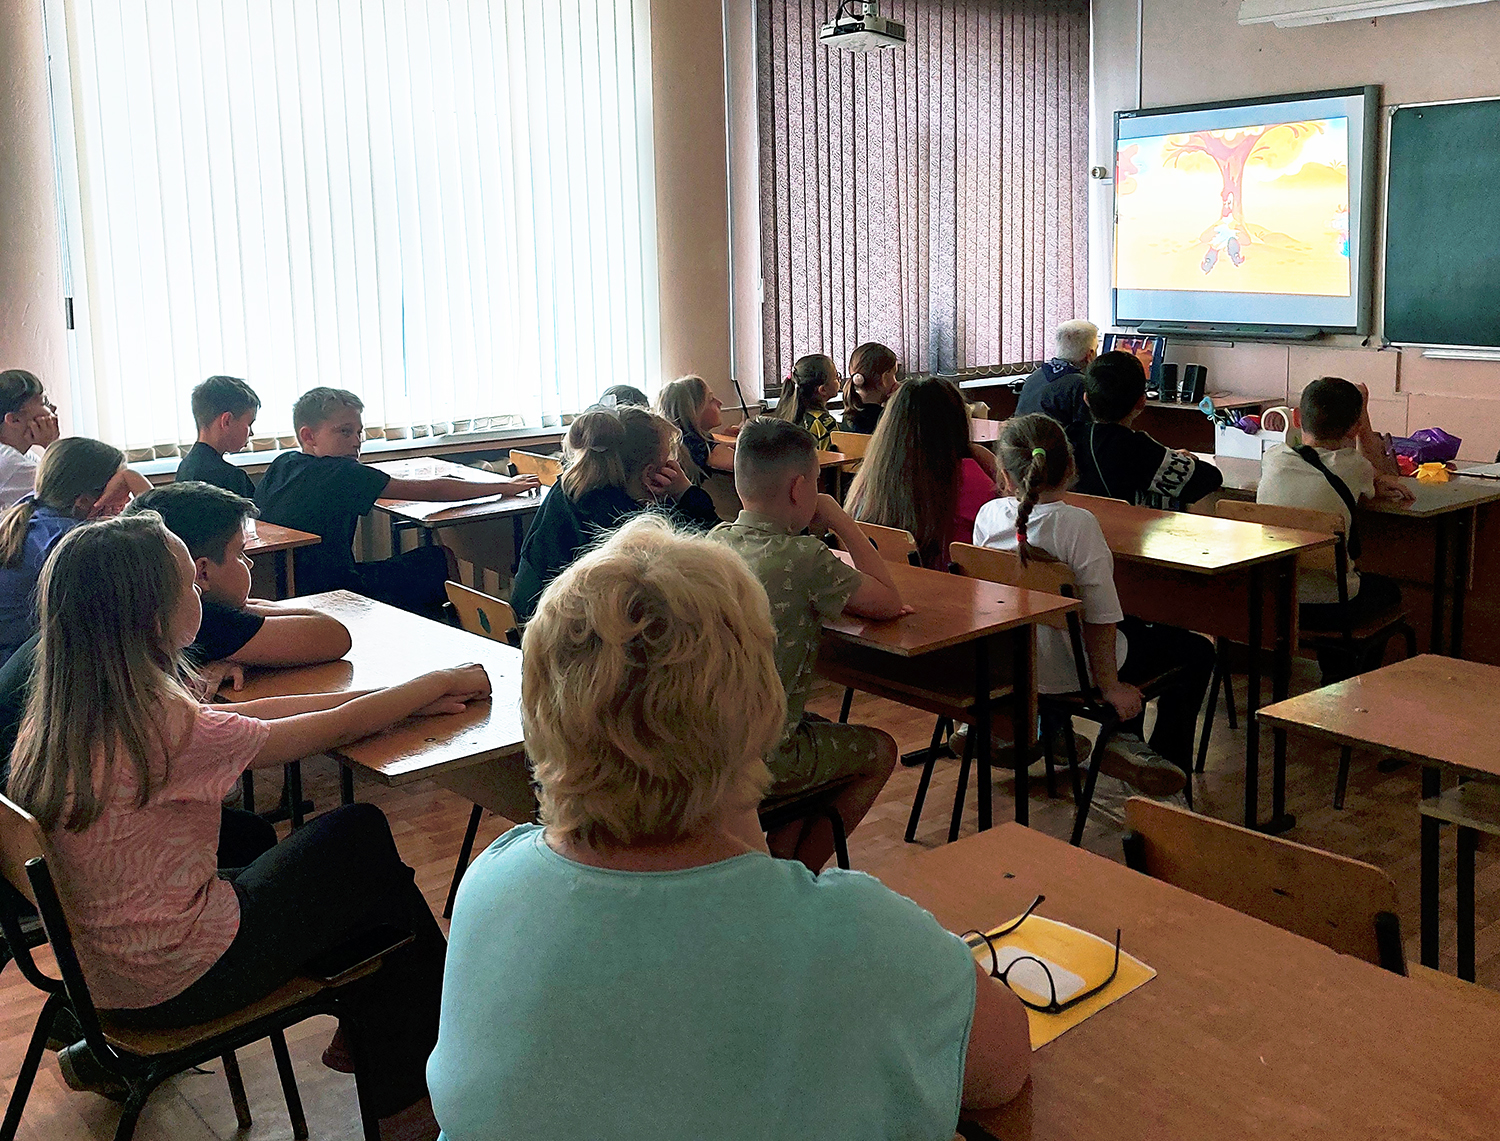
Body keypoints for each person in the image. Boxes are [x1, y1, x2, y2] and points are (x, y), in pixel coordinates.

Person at [428, 515, 1030, 1141]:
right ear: (761, 701)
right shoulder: (864, 937)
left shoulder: (489, 885)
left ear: (539, 703)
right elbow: (1002, 1069)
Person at [8, 512, 489, 1140]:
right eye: (190, 585)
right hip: (179, 979)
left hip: (105, 975)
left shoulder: (68, 713)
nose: (200, 594)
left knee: (362, 889)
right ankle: (409, 1089)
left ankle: (391, 1059)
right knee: (359, 837)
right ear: (155, 618)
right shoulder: (161, 727)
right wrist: (436, 682)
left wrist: (399, 697)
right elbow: (322, 732)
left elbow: (268, 719)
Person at [974, 415, 1214, 796]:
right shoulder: (1078, 525)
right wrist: (1110, 687)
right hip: (1075, 674)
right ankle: (1152, 756)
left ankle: (1112, 738)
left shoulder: (988, 517)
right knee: (1197, 651)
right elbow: (1101, 621)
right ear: (1071, 467)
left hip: (1018, 667)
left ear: (1004, 474)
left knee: (1135, 628)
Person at [710, 418, 903, 871]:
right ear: (800, 489)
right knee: (880, 750)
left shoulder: (713, 544)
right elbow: (889, 601)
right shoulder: (805, 558)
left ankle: (782, 865)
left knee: (815, 728)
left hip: (716, 743)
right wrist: (838, 518)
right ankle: (802, 878)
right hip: (766, 757)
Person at [254, 387, 539, 618]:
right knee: (437, 559)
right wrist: (504, 486)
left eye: (359, 432)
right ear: (308, 435)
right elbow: (435, 490)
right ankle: (458, 631)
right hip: (337, 593)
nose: (356, 442)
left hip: (287, 589)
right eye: (344, 432)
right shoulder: (343, 472)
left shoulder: (282, 464)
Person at [1257, 375, 1414, 679]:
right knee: (1388, 591)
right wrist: (1365, 420)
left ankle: (1333, 680)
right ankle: (1347, 682)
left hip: (1274, 599)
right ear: (1354, 428)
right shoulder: (1354, 466)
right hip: (1332, 605)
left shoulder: (1273, 458)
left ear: (1297, 418)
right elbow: (1385, 473)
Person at [510, 404, 719, 623]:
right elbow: (715, 548)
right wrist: (685, 493)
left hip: (530, 628)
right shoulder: (631, 523)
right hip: (576, 637)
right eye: (668, 460)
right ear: (650, 474)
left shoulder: (566, 489)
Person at [126, 482, 352, 668]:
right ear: (202, 573)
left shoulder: (147, 603)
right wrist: (243, 617)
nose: (250, 563)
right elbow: (334, 635)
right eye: (240, 554)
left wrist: (235, 659)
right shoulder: (207, 621)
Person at [0, 438, 134, 665]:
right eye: (120, 489)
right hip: (24, 669)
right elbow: (168, 562)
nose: (128, 499)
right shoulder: (71, 541)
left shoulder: (32, 511)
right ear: (84, 502)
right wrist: (137, 482)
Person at [846, 377, 997, 570]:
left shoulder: (872, 477)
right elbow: (1011, 521)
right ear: (957, 422)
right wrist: (994, 466)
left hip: (886, 581)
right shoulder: (970, 478)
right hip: (953, 584)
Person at [1068, 351, 1224, 506]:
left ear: (1086, 399)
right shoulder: (1138, 449)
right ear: (1142, 402)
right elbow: (1210, 479)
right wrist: (1180, 461)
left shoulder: (1070, 436)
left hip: (1077, 521)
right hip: (1124, 522)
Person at [175, 375, 261, 497]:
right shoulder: (232, 478)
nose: (251, 433)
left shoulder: (185, 468)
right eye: (249, 424)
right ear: (226, 421)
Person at [1014, 320, 1098, 427]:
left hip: (1021, 436)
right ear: (1090, 355)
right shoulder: (1079, 384)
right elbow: (1088, 431)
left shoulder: (1035, 375)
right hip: (1056, 438)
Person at [0, 369, 61, 509]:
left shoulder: (22, 455)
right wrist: (52, 444)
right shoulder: (10, 463)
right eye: (44, 402)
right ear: (14, 419)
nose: (53, 408)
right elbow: (67, 498)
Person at [656, 374, 736, 480]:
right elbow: (751, 463)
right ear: (693, 411)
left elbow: (730, 443)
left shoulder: (680, 439)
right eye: (711, 399)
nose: (720, 403)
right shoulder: (700, 448)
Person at [771, 354, 840, 449]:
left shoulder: (783, 417)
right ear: (823, 390)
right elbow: (834, 457)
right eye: (836, 376)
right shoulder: (824, 423)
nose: (839, 380)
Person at [841, 342, 900, 434]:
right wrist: (897, 403)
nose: (896, 381)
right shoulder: (889, 419)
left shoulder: (848, 418)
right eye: (894, 374)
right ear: (884, 378)